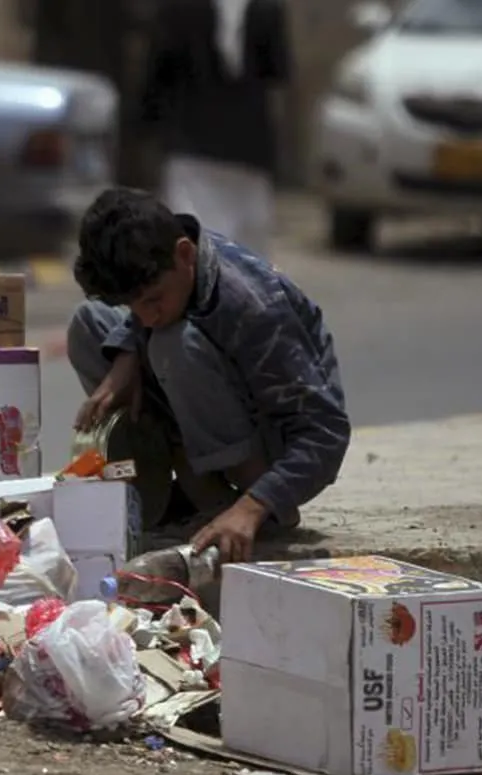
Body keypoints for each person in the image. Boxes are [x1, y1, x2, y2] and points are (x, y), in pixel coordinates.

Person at [66, 187, 349, 563]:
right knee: (89, 324)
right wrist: (127, 352)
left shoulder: (255, 307)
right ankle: (168, 488)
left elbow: (327, 434)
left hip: (271, 450)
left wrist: (254, 505)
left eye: (153, 300)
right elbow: (139, 315)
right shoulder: (168, 277)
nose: (146, 316)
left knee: (172, 344)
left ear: (184, 254)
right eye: (133, 307)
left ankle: (231, 502)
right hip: (205, 410)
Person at [141, 0, 293, 256]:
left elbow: (158, 73)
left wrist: (148, 128)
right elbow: (278, 75)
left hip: (191, 143)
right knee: (246, 252)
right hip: (248, 146)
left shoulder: (178, 9)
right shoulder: (267, 9)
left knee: (195, 245)